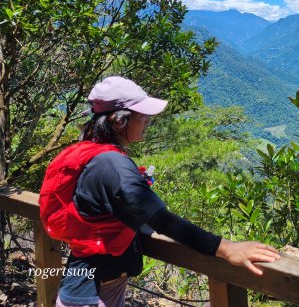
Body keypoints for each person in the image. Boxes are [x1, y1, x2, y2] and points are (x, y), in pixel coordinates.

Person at [41, 76, 280, 307]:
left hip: (91, 282)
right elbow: (160, 218)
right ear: (118, 121)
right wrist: (227, 248)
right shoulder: (113, 165)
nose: (148, 121)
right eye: (143, 115)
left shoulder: (92, 154)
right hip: (93, 293)